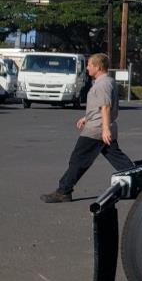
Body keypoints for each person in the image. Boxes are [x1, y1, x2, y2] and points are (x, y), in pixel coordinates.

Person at [41, 53, 134, 203]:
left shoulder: (103, 84)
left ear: (98, 67)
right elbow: (100, 106)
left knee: (77, 160)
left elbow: (105, 107)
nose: (87, 68)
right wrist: (87, 117)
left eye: (89, 65)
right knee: (119, 160)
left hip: (96, 130)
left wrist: (104, 129)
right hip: (100, 126)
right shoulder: (106, 82)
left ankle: (64, 191)